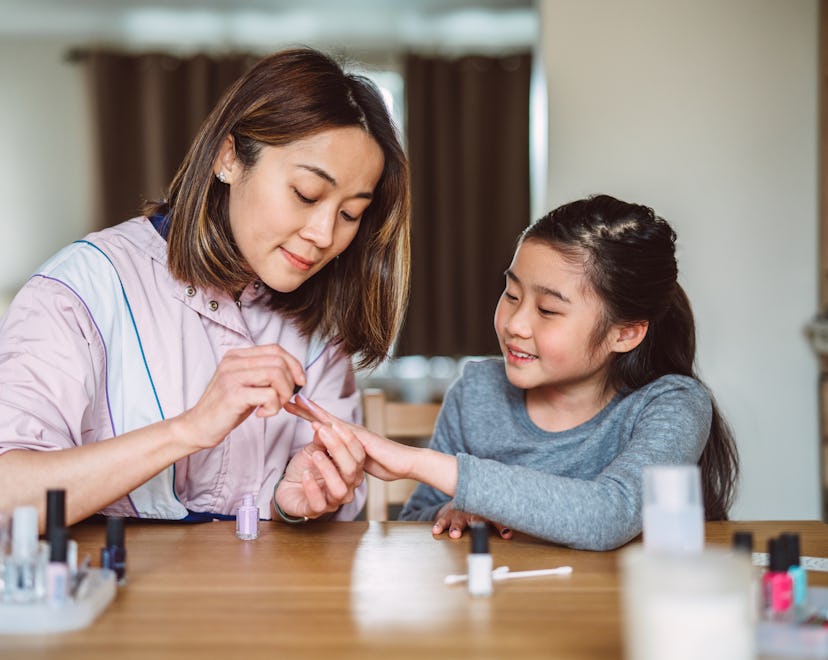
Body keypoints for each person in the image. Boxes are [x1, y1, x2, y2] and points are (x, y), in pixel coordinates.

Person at [0, 47, 410, 528]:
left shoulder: (324, 324)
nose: (324, 235)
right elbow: (9, 495)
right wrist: (188, 430)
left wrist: (291, 503)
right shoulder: (81, 291)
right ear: (228, 158)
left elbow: (329, 527)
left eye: (349, 215)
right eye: (306, 194)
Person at [286, 194, 739, 551]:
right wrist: (453, 513)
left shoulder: (671, 404)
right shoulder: (478, 391)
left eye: (547, 309)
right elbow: (419, 522)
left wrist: (416, 461)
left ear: (625, 334)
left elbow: (609, 516)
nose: (515, 324)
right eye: (511, 294)